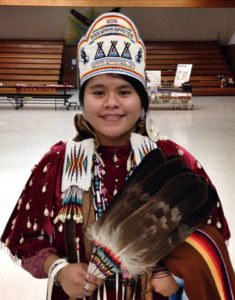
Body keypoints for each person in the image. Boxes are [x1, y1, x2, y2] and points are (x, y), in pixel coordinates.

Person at [1, 12, 235, 300]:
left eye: (124, 91)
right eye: (98, 92)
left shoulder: (173, 159)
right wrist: (58, 268)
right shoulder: (58, 162)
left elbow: (211, 238)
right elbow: (24, 238)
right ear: (83, 99)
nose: (111, 103)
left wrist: (177, 276)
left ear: (141, 99)